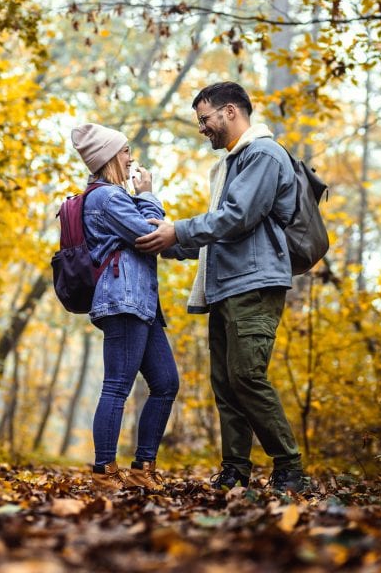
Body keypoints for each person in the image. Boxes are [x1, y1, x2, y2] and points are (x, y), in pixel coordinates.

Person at [135, 82, 305, 493]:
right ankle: (234, 470)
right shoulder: (234, 163)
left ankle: (290, 468)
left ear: (230, 112)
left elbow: (236, 217)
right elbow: (221, 234)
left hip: (255, 283)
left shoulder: (262, 154)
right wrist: (167, 239)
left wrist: (177, 231)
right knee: (226, 385)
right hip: (226, 286)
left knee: (246, 375)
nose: (202, 128)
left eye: (205, 119)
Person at [71, 123, 179, 493]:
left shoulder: (111, 196)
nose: (131, 157)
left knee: (166, 383)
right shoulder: (107, 198)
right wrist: (147, 194)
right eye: (125, 151)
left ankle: (142, 468)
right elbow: (150, 234)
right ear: (109, 158)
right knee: (117, 385)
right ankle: (104, 473)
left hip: (140, 301)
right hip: (123, 300)